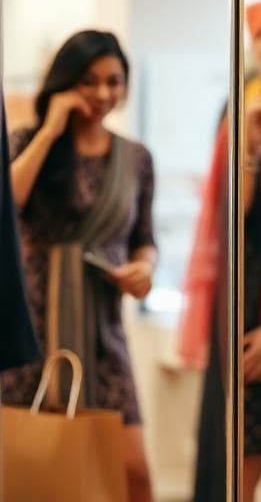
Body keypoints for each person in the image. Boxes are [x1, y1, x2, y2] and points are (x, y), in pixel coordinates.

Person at [2, 31, 158, 502]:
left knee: (133, 473)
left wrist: (143, 270)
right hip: (33, 331)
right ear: (66, 82)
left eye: (114, 81)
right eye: (89, 80)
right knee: (31, 471)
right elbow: (7, 206)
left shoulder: (135, 159)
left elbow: (144, 241)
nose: (103, 93)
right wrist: (49, 130)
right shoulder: (27, 142)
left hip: (103, 333)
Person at [187, 1, 261, 502]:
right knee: (244, 450)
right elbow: (231, 216)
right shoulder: (242, 103)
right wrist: (251, 147)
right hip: (249, 287)